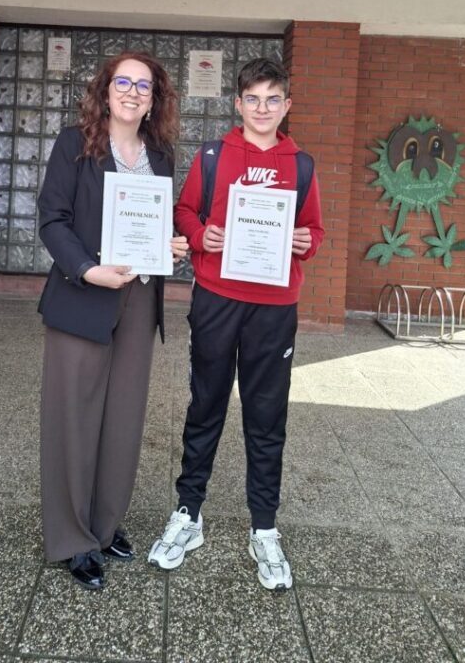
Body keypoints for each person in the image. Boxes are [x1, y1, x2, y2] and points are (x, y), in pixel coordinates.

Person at [148, 57, 324, 590]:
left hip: (274, 307)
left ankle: (264, 527)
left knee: (266, 416)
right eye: (253, 99)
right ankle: (189, 513)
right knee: (205, 405)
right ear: (238, 104)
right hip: (217, 300)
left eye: (273, 99)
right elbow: (184, 212)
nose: (262, 108)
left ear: (286, 106)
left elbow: (313, 230)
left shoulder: (302, 165)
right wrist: (202, 235)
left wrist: (305, 242)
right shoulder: (212, 156)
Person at [37, 51, 188, 591]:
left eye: (143, 86)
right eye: (123, 82)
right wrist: (86, 269)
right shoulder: (74, 144)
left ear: (153, 100)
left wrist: (171, 245)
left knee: (123, 418)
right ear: (105, 90)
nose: (132, 92)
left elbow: (156, 225)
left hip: (139, 299)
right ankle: (71, 537)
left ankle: (104, 526)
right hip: (84, 296)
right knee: (73, 418)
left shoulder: (161, 155)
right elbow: (52, 220)